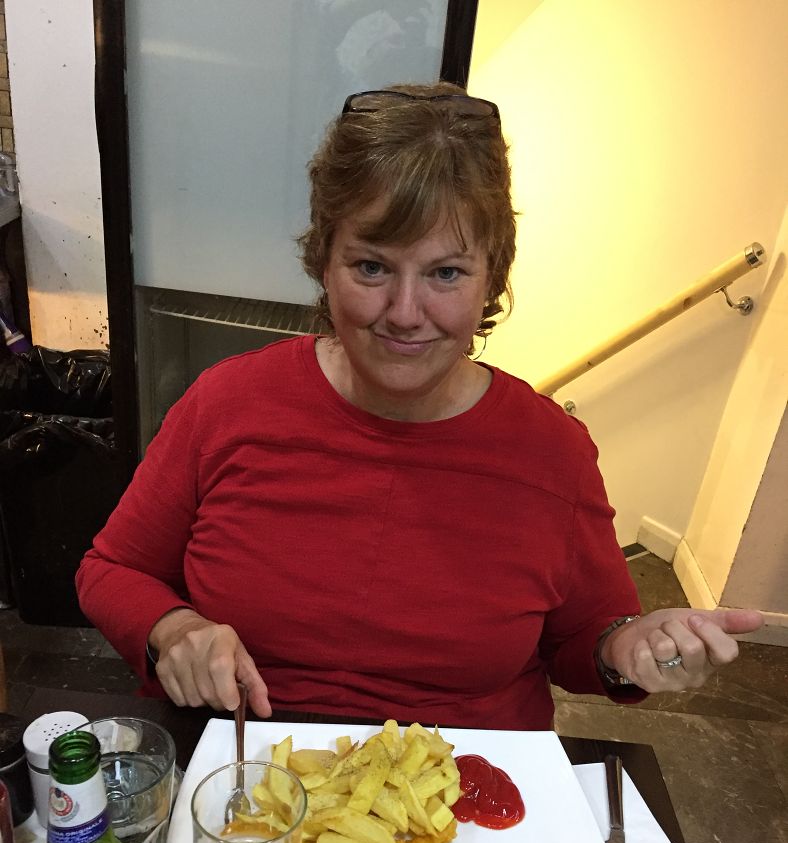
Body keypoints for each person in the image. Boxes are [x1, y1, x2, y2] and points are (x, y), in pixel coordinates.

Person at [76, 83, 763, 730]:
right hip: (249, 768)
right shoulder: (227, 403)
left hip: (464, 790)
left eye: (446, 273)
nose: (406, 313)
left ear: (491, 276)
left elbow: (587, 641)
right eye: (372, 266)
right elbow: (111, 570)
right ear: (324, 261)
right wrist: (174, 629)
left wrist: (630, 646)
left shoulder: (552, 452)